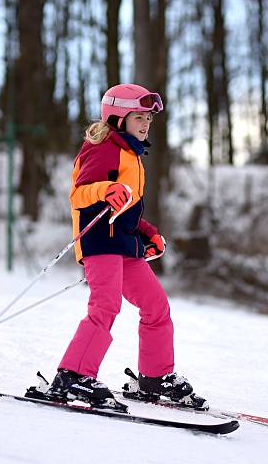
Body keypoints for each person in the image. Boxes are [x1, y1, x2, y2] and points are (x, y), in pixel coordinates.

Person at [45, 83, 205, 412]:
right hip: (99, 241)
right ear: (118, 118)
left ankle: (154, 378)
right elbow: (79, 194)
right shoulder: (103, 147)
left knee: (156, 305)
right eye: (138, 117)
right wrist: (105, 189)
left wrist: (148, 233)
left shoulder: (131, 154)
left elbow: (127, 209)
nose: (145, 124)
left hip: (123, 242)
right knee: (105, 305)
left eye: (148, 118)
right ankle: (73, 375)